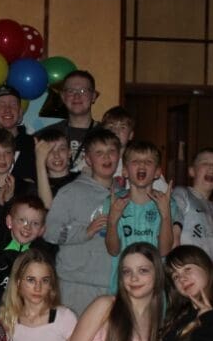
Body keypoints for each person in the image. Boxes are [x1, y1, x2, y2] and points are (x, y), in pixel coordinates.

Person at [42, 129, 120, 315]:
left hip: (111, 284)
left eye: (111, 151)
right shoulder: (71, 192)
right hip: (75, 285)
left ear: (119, 156)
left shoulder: (124, 196)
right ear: (88, 159)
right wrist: (85, 232)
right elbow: (50, 232)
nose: (106, 157)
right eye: (99, 152)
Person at [104, 140, 177, 293]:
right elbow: (113, 250)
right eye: (135, 161)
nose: (142, 165)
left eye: (148, 162)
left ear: (157, 172)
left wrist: (165, 215)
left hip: (155, 289)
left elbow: (164, 251)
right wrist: (112, 221)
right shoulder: (114, 202)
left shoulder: (167, 203)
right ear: (125, 171)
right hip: (123, 287)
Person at [172, 148, 213, 302]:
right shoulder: (181, 193)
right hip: (185, 282)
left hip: (207, 285)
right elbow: (173, 234)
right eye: (205, 163)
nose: (211, 167)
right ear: (192, 171)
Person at [0, 194, 54, 308]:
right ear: (9, 221)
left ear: (42, 230)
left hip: (27, 308)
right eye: (22, 220)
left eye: (35, 223)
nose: (27, 227)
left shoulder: (44, 255)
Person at [38, 69, 102, 173]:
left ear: (93, 96)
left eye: (83, 91)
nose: (77, 96)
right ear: (63, 97)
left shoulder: (107, 135)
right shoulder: (44, 136)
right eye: (71, 91)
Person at [33, 128, 77, 209]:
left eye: (62, 149)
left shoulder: (81, 178)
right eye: (50, 151)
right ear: (41, 155)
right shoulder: (35, 186)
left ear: (69, 152)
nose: (56, 155)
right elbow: (47, 210)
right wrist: (40, 162)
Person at [101, 106, 135, 185]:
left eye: (122, 127)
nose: (115, 131)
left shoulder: (137, 163)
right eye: (111, 127)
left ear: (130, 135)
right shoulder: (94, 160)